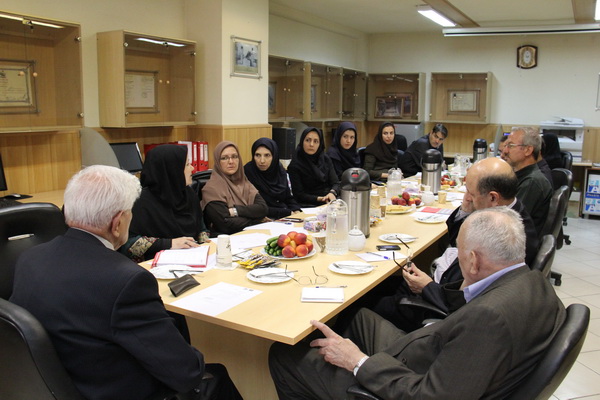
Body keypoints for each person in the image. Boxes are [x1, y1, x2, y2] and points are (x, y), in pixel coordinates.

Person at [269, 208, 565, 400]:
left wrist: (357, 361)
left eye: (459, 253)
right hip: (433, 349)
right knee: (358, 315)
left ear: (474, 261)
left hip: (413, 377)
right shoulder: (534, 281)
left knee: (284, 354)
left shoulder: (488, 319)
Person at [10, 165, 242, 400]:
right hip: (117, 390)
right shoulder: (125, 281)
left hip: (51, 386)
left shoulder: (29, 259)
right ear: (118, 222)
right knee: (216, 376)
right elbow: (186, 372)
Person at [121, 144, 209, 262]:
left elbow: (201, 228)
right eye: (187, 164)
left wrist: (205, 243)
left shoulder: (188, 193)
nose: (192, 168)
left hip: (194, 260)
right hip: (155, 266)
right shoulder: (140, 202)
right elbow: (127, 245)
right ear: (172, 170)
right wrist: (169, 243)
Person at [202, 141, 268, 235]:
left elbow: (262, 209)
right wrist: (256, 221)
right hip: (226, 240)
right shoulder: (211, 189)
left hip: (251, 235)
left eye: (234, 156)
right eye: (224, 158)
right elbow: (225, 224)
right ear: (217, 161)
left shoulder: (244, 182)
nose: (231, 162)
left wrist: (235, 211)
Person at [501, 126, 552, 236]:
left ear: (528, 150)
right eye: (505, 146)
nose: (504, 151)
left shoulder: (532, 182)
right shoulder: (523, 175)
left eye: (510, 145)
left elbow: (510, 221)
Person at [244, 137, 301, 220]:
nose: (262, 161)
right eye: (257, 155)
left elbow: (288, 197)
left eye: (267, 155)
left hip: (285, 216)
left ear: (274, 156)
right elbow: (254, 206)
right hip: (263, 219)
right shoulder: (248, 172)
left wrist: (297, 210)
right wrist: (287, 213)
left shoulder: (279, 170)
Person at [288, 127, 340, 207]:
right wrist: (320, 198)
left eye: (316, 141)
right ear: (302, 141)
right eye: (308, 140)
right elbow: (299, 195)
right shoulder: (295, 164)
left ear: (320, 144)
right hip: (308, 205)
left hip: (329, 201)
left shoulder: (325, 159)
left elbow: (335, 182)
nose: (311, 144)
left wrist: (332, 193)